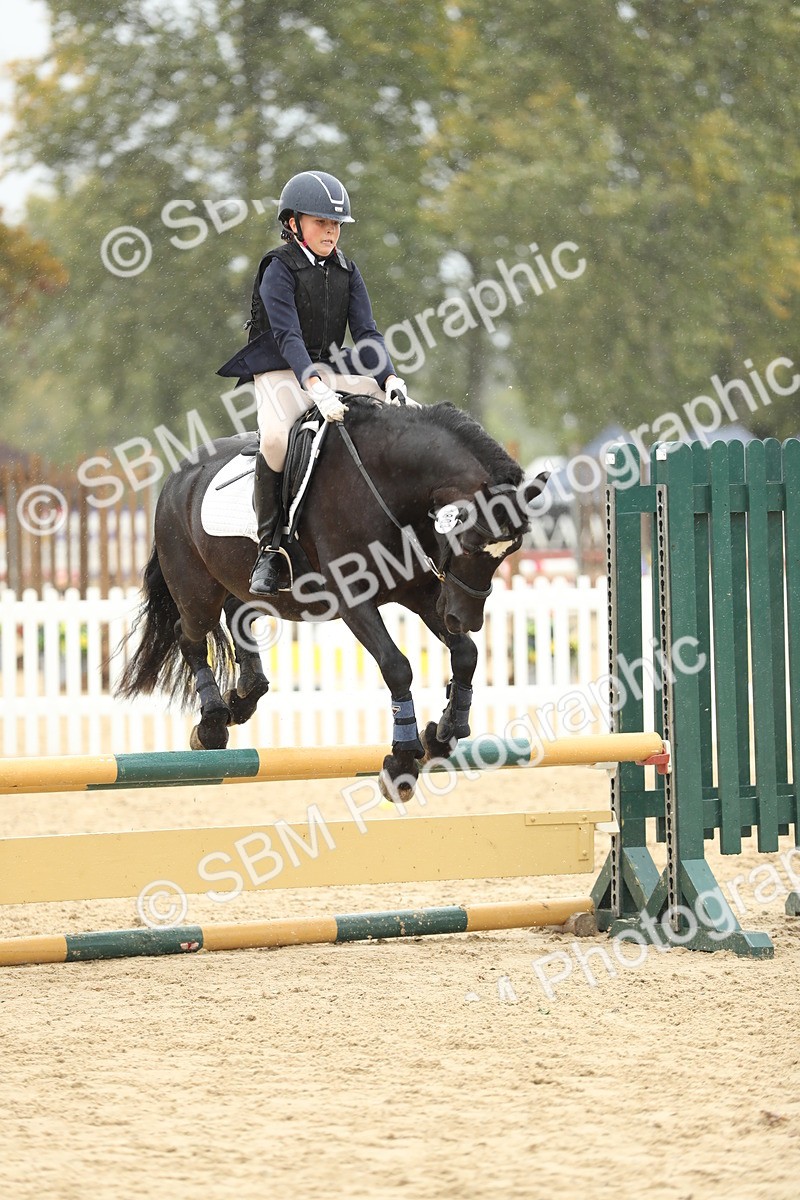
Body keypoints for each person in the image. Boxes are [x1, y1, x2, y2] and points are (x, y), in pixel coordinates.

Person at [218, 169, 410, 596]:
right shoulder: (278, 269)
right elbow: (287, 337)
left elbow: (367, 333)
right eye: (322, 222)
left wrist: (391, 379)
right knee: (274, 441)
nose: (331, 230)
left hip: (326, 367)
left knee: (398, 410)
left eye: (336, 223)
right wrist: (315, 387)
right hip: (281, 372)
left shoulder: (347, 269)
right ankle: (271, 549)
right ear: (293, 224)